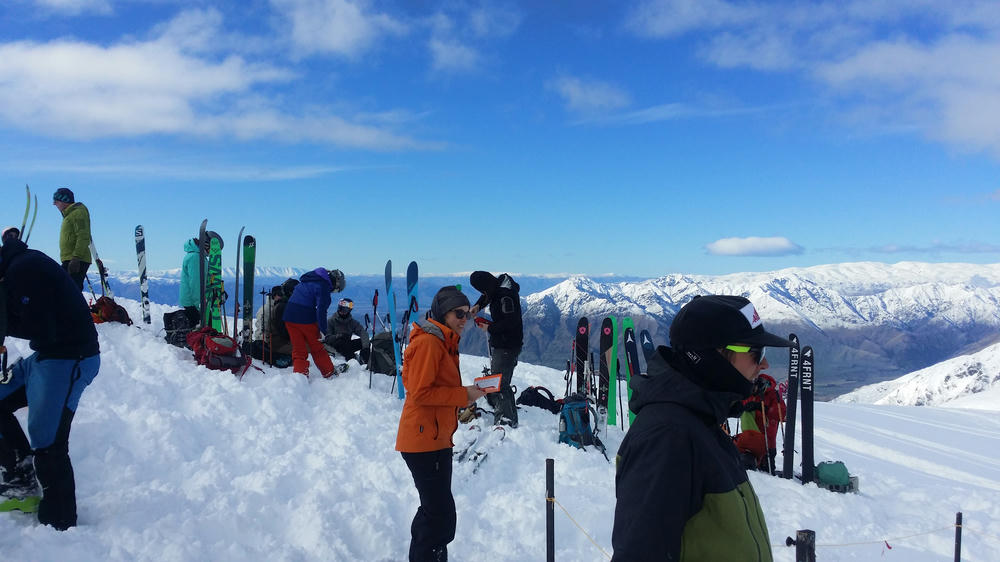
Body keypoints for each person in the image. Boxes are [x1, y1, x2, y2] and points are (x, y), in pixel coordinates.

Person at [611, 295, 794, 561]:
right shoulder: (668, 437)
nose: (764, 365)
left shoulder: (702, 422)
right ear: (714, 356)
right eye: (756, 352)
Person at [0, 236, 100, 530]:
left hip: (70, 358)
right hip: (48, 354)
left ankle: (60, 524)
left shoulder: (24, 270)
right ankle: (21, 478)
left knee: (48, 441)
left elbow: (42, 325)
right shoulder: (18, 266)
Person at [396, 285, 486, 561]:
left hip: (436, 439)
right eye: (458, 313)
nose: (463, 319)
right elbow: (419, 392)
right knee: (439, 514)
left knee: (436, 511)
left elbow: (435, 388)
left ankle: (429, 555)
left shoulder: (444, 340)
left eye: (466, 314)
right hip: (423, 442)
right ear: (442, 313)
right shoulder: (428, 343)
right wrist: (464, 395)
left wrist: (469, 394)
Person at [469, 271, 523, 427]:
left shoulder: (505, 296)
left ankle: (504, 422)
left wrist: (490, 327)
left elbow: (511, 322)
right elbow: (490, 293)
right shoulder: (499, 284)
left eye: (482, 290)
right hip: (507, 343)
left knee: (498, 384)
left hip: (507, 344)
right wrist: (478, 305)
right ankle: (510, 420)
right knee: (502, 383)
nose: (483, 293)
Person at [281, 268, 345, 378]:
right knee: (317, 346)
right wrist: (323, 331)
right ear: (335, 281)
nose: (333, 291)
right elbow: (321, 310)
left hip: (289, 317)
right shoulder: (323, 286)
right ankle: (329, 372)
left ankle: (300, 376)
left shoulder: (308, 279)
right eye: (336, 289)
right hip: (305, 317)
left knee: (298, 349)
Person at [735, 373, 785, 474]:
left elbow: (782, 414)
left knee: (767, 471)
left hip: (768, 442)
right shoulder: (752, 394)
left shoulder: (773, 395)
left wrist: (762, 408)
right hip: (749, 440)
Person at [52, 188, 92, 292]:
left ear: (64, 200)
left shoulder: (78, 213)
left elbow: (83, 235)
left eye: (56, 201)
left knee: (70, 290)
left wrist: (76, 258)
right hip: (71, 258)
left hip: (75, 259)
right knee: (69, 289)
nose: (54, 204)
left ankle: (76, 308)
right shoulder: (69, 215)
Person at [251, 282, 295, 367]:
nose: (281, 296)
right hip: (266, 341)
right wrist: (265, 342)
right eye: (279, 294)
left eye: (282, 294)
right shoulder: (267, 310)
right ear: (274, 295)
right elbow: (262, 328)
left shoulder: (278, 306)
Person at [324, 298, 370, 364]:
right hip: (335, 346)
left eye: (346, 310)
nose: (343, 312)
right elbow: (327, 338)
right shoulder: (331, 321)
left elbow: (363, 332)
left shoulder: (351, 322)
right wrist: (339, 336)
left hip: (347, 345)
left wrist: (366, 348)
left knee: (365, 342)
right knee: (342, 342)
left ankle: (364, 359)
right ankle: (353, 361)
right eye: (342, 310)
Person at [178, 237, 202, 327]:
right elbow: (195, 282)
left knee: (197, 328)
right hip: (192, 301)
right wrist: (198, 304)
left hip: (190, 300)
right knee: (200, 329)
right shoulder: (195, 257)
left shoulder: (195, 256)